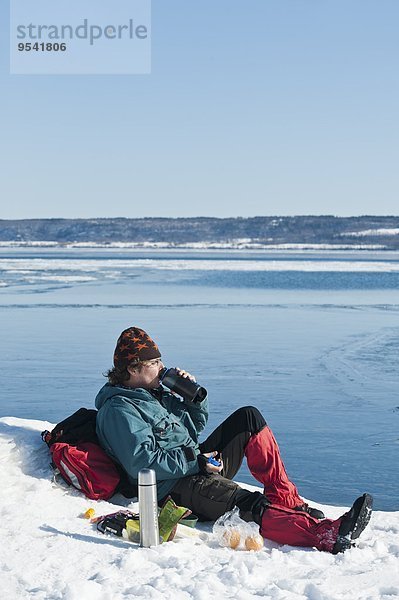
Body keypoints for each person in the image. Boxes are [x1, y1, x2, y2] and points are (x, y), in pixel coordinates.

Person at [95, 326, 373, 554]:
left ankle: (287, 501)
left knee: (248, 418)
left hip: (194, 466)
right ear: (133, 368)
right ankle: (325, 535)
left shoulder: (153, 394)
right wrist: (197, 462)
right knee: (248, 503)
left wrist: (194, 400)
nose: (162, 367)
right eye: (154, 363)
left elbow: (191, 431)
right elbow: (142, 465)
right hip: (171, 488)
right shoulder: (119, 410)